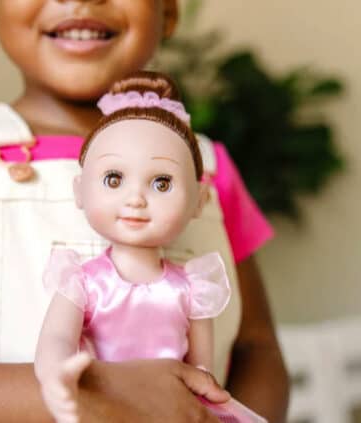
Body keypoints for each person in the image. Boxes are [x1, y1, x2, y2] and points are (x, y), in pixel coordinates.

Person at [0, 1, 289, 422]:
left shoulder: (211, 170)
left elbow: (259, 350)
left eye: (161, 184)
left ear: (169, 10)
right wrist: (103, 397)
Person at [34, 71, 265, 423]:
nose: (136, 199)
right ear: (80, 190)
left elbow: (203, 370)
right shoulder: (81, 281)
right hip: (101, 408)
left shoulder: (194, 289)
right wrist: (56, 378)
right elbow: (55, 341)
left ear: (199, 201)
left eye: (161, 182)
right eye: (114, 179)